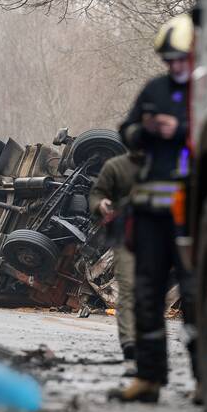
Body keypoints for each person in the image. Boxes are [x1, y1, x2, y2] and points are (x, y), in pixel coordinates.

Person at [109, 13, 197, 404]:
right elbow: (125, 131)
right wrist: (145, 130)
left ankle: (205, 381)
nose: (175, 67)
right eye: (170, 60)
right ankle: (148, 377)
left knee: (196, 298)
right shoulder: (153, 90)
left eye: (182, 59)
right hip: (149, 218)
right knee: (146, 296)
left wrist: (177, 131)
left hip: (192, 215)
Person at [89, 150, 143, 376]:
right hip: (128, 236)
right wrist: (101, 204)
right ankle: (131, 350)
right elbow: (97, 193)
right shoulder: (116, 166)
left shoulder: (176, 159)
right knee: (128, 291)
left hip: (169, 237)